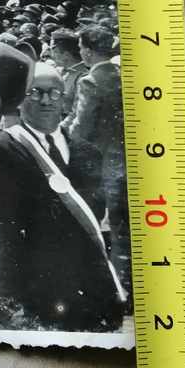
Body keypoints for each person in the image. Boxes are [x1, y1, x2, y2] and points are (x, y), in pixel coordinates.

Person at [0, 62, 126, 331]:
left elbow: (93, 221)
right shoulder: (2, 144)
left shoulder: (87, 152)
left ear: (64, 100)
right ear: (20, 101)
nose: (46, 100)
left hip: (78, 288)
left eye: (54, 93)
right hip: (23, 287)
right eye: (35, 92)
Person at [66, 26, 130, 304]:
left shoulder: (90, 81)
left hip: (101, 166)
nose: (80, 52)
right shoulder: (124, 76)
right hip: (128, 161)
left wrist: (62, 132)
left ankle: (118, 290)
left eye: (81, 47)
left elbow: (81, 128)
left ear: (89, 51)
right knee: (125, 228)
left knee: (100, 227)